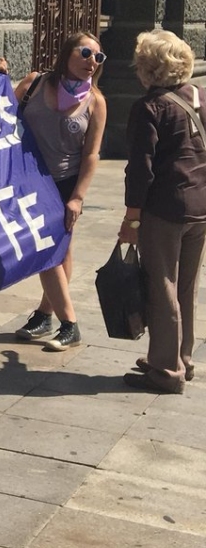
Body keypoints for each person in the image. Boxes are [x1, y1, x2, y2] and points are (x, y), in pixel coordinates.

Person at [0, 32, 108, 351]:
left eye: (98, 57)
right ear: (66, 54)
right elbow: (0, 112)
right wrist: (0, 81)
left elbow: (91, 155)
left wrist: (77, 197)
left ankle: (68, 323)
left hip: (64, 183)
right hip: (28, 180)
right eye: (86, 53)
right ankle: (46, 315)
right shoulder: (35, 83)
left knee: (50, 250)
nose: (92, 62)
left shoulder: (96, 101)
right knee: (57, 251)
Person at [119, 29, 206, 394]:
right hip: (200, 205)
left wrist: (132, 219)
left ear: (149, 68)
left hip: (165, 208)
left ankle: (166, 371)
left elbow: (141, 169)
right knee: (185, 287)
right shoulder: (197, 97)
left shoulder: (149, 107)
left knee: (162, 286)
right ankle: (179, 359)